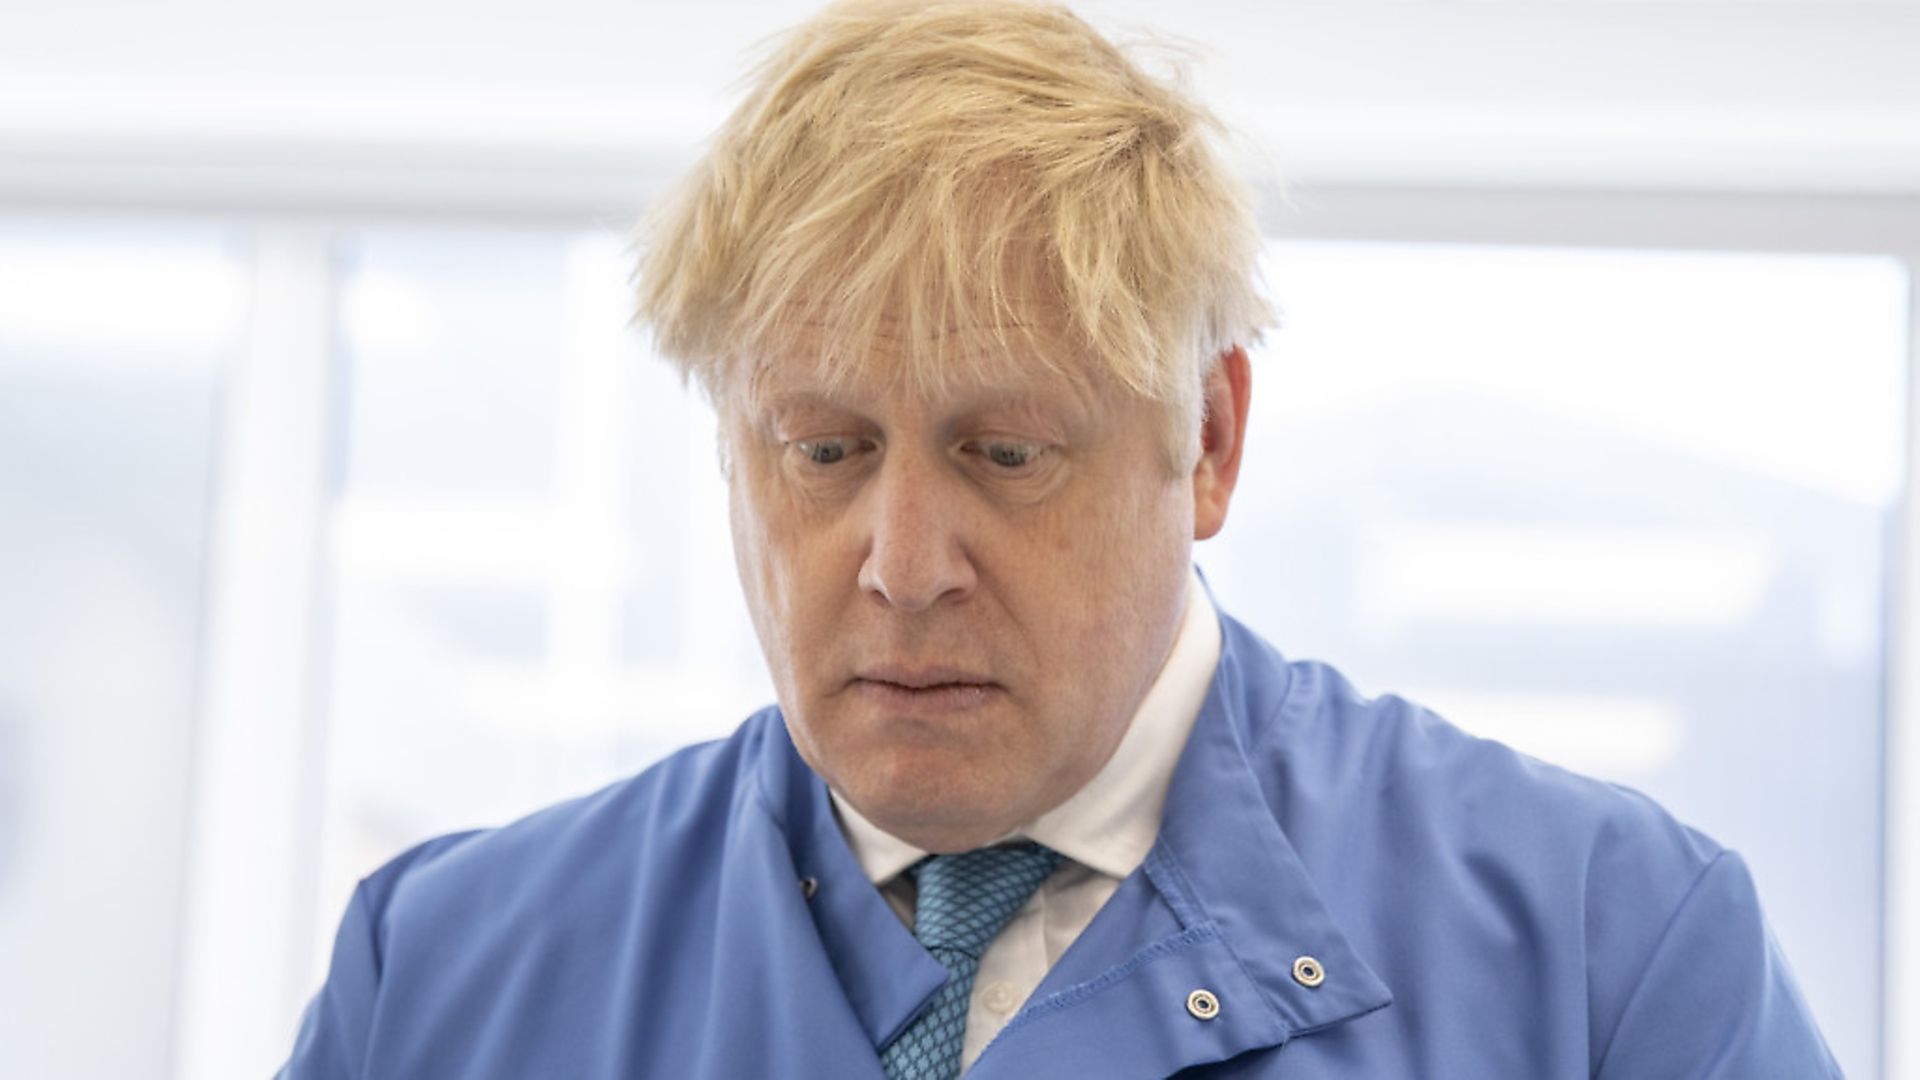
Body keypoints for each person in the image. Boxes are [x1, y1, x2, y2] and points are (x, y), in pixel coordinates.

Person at [279, 1, 1842, 1076]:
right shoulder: (444, 979)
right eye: (823, 451)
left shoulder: (1605, 959)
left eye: (1005, 453)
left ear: (1209, 440)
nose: (899, 561)